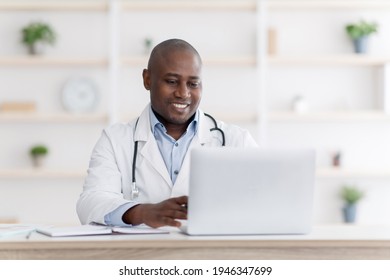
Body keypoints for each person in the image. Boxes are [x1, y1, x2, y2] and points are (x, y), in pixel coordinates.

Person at [76, 38, 258, 228]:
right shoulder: (116, 140)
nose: (183, 93)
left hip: (209, 254)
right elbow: (90, 202)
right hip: (142, 255)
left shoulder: (236, 140)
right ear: (147, 79)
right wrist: (142, 212)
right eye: (172, 81)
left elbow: (265, 199)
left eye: (193, 84)